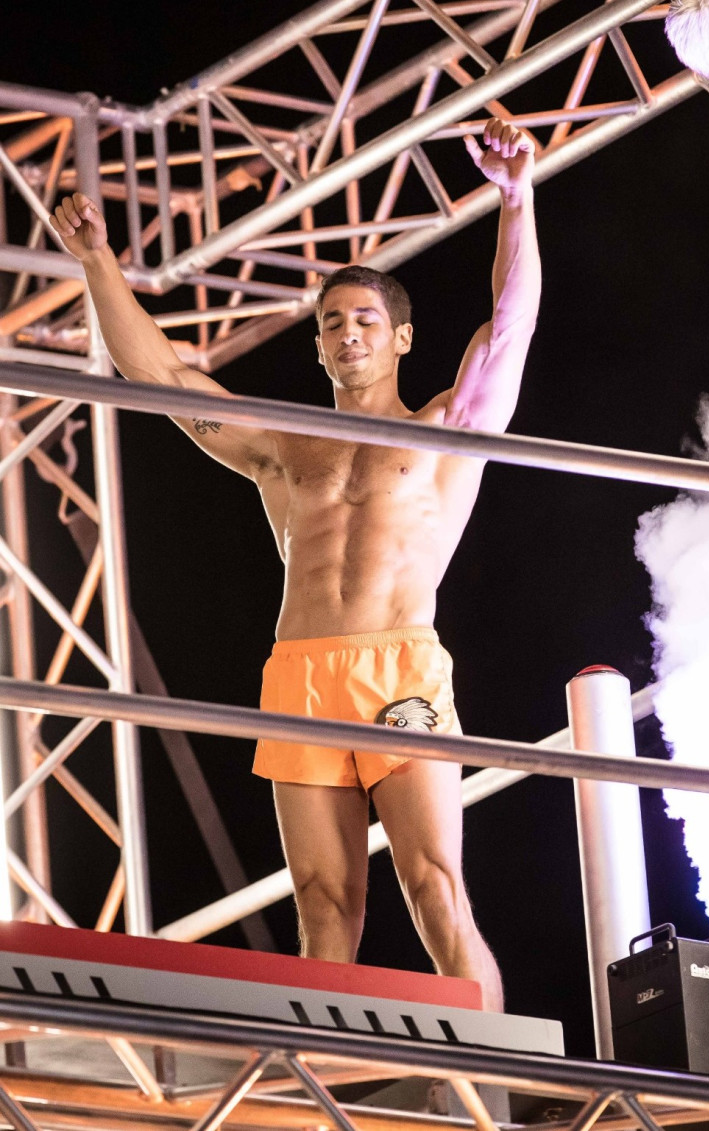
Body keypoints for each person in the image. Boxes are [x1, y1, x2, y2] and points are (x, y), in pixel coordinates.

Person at [50, 117, 540, 1012]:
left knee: (435, 888)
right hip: (302, 674)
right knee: (323, 908)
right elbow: (163, 379)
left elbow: (508, 330)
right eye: (331, 323)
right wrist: (97, 264)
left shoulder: (443, 429)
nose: (347, 333)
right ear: (316, 346)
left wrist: (516, 199)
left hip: (399, 668)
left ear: (400, 338)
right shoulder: (283, 446)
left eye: (365, 320)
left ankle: (492, 1086)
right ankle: (323, 1079)